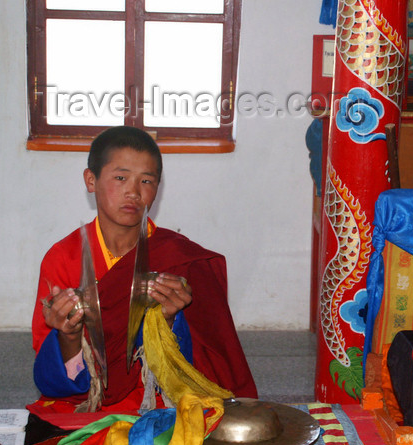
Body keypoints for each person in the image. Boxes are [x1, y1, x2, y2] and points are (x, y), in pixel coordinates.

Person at [29, 126, 257, 413]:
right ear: (91, 180)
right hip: (88, 399)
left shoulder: (178, 258)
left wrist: (170, 320)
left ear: (157, 190)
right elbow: (51, 375)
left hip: (161, 400)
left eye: (146, 181)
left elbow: (207, 358)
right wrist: (69, 336)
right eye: (121, 178)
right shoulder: (63, 257)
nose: (134, 192)